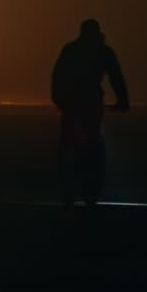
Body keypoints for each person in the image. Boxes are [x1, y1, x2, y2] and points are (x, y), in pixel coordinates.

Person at [51, 19, 129, 208]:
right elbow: (116, 76)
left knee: (66, 145)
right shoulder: (103, 51)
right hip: (91, 102)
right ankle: (90, 188)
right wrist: (122, 101)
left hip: (72, 103)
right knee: (93, 145)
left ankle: (67, 188)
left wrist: (59, 100)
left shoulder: (70, 50)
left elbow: (57, 77)